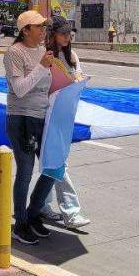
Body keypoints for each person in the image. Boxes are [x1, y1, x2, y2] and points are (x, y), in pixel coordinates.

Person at [3, 10, 56, 246]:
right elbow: (20, 89)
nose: (43, 30)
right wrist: (42, 68)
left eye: (44, 26)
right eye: (38, 27)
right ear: (26, 30)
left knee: (53, 167)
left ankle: (34, 213)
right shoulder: (14, 52)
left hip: (43, 116)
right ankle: (20, 223)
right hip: (22, 117)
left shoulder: (44, 52)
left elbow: (47, 86)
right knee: (25, 171)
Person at [40, 15, 91, 229]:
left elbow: (78, 79)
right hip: (46, 115)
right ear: (52, 34)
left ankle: (41, 204)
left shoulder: (72, 56)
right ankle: (71, 212)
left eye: (69, 34)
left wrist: (79, 80)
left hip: (65, 115)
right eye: (63, 33)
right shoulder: (44, 56)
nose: (67, 37)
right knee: (58, 162)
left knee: (51, 162)